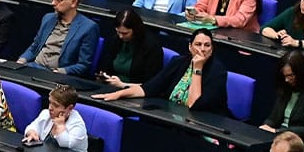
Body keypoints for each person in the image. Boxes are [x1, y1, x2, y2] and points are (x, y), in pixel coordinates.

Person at [94, 28, 231, 117]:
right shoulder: (178, 62)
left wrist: (197, 68)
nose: (202, 49)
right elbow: (149, 88)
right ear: (190, 47)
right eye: (198, 44)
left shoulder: (217, 71)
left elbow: (193, 104)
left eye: (207, 45)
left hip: (203, 124)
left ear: (212, 49)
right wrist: (117, 94)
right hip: (173, 116)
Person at [24, 84, 92, 152]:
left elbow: (65, 143)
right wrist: (32, 132)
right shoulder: (46, 114)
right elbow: (32, 126)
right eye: (50, 102)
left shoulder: (77, 125)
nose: (50, 107)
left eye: (55, 105)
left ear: (69, 108)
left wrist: (60, 126)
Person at [18, 0, 98, 76]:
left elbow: (83, 65)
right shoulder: (48, 18)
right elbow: (34, 47)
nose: (53, 3)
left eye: (58, 0)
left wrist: (60, 72)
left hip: (58, 75)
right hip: (34, 67)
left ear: (73, 3)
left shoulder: (88, 27)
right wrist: (21, 61)